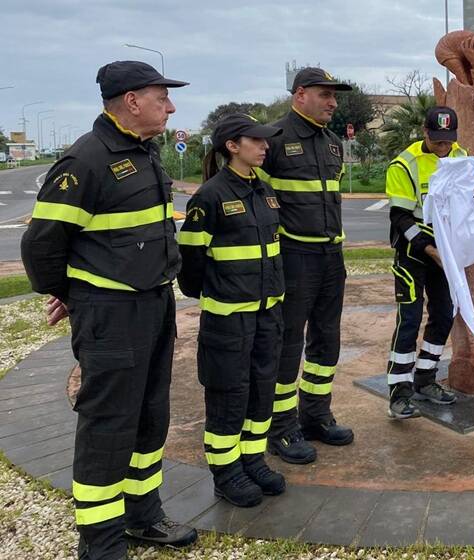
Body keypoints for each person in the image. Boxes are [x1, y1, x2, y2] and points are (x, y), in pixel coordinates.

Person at [20, 60, 197, 559]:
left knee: (149, 417)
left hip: (154, 303)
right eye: (162, 96)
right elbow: (42, 245)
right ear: (132, 100)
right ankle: (100, 543)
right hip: (112, 312)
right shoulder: (87, 160)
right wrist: (75, 292)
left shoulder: (143, 152)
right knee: (108, 425)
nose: (171, 105)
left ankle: (143, 517)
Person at [177, 114, 287, 507]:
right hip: (228, 317)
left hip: (267, 312)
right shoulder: (210, 196)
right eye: (256, 141)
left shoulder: (265, 190)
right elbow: (190, 262)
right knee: (229, 393)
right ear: (232, 147)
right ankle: (226, 473)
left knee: (261, 389)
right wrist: (216, 292)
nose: (264, 146)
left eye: (265, 140)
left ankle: (252, 459)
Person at [255, 67, 354, 464]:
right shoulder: (273, 140)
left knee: (326, 338)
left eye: (335, 95)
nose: (333, 102)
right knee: (288, 342)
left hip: (332, 256)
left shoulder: (331, 143)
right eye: (325, 94)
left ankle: (316, 413)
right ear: (300, 96)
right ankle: (281, 426)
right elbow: (256, 198)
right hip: (293, 257)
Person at [383, 106, 467, 419]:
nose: (443, 147)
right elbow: (400, 217)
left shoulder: (460, 155)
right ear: (424, 131)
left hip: (446, 252)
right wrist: (429, 249)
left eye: (448, 141)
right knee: (409, 319)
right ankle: (399, 393)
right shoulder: (404, 164)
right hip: (413, 253)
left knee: (445, 314)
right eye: (437, 140)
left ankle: (425, 378)